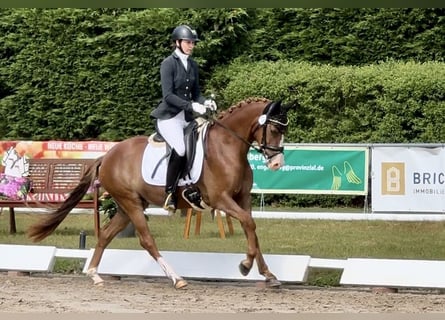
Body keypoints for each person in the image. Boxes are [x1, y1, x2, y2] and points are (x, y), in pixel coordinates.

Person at [150, 25, 217, 212]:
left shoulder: (192, 65)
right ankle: (169, 193)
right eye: (188, 42)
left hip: (187, 118)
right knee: (180, 149)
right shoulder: (168, 64)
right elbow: (168, 96)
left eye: (193, 43)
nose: (191, 46)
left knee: (201, 144)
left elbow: (196, 93)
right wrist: (191, 106)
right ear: (178, 43)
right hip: (169, 117)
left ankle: (192, 186)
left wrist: (206, 102)